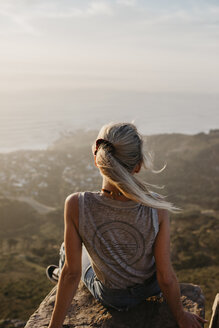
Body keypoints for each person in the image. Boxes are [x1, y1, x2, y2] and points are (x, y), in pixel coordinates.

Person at [47, 122, 207, 328]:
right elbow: (166, 277)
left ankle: (56, 275)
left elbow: (72, 274)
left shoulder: (77, 204)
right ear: (138, 165)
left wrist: (54, 326)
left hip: (111, 297)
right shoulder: (157, 206)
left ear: (97, 160)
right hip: (149, 290)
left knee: (66, 251)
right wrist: (181, 316)